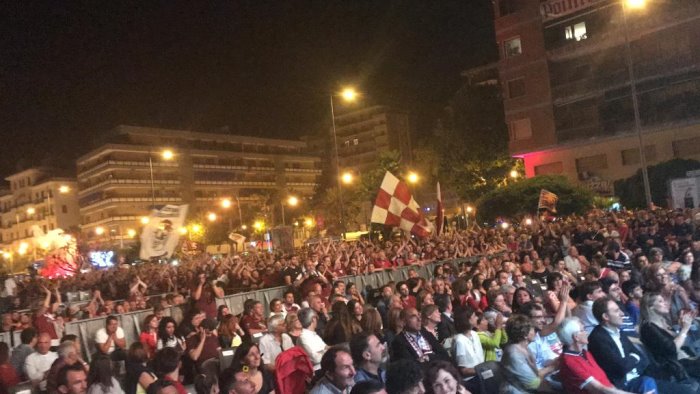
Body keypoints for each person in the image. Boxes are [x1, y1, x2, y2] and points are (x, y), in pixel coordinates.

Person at [588, 297, 660, 394]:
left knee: (682, 388)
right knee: (647, 382)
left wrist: (632, 359)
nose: (622, 314)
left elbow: (641, 357)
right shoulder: (597, 339)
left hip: (638, 376)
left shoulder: (619, 332)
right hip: (622, 386)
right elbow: (621, 368)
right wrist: (634, 358)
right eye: (617, 311)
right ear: (606, 316)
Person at [557, 317, 632, 394]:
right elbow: (598, 389)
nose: (587, 333)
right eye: (583, 330)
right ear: (576, 337)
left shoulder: (584, 352)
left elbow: (605, 382)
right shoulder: (569, 362)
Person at [639, 292, 700, 380]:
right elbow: (672, 349)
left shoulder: (662, 323)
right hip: (675, 367)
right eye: (660, 301)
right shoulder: (648, 328)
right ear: (650, 307)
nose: (665, 303)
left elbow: (679, 343)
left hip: (685, 359)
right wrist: (685, 329)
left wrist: (683, 327)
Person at [499, 315, 553, 393]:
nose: (535, 332)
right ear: (525, 335)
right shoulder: (514, 354)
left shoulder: (524, 348)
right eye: (533, 330)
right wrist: (552, 367)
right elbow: (533, 383)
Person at [451, 308, 482, 394]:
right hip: (470, 382)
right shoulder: (459, 341)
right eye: (474, 316)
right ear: (467, 320)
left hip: (480, 376)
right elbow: (464, 371)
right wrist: (483, 369)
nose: (477, 318)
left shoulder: (474, 334)